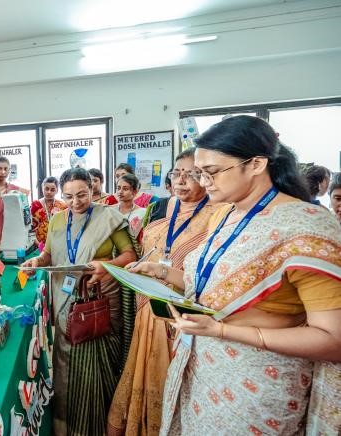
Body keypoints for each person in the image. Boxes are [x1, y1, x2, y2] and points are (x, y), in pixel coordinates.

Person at [130, 116, 341, 435]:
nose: (204, 181)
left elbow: (333, 340)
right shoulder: (223, 215)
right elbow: (214, 287)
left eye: (211, 172)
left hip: (259, 383)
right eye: (200, 172)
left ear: (256, 164)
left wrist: (222, 331)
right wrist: (161, 272)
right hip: (202, 368)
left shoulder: (307, 227)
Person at [107, 147, 222, 436]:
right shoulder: (166, 206)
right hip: (149, 305)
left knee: (172, 378)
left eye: (193, 174)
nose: (182, 181)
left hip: (180, 317)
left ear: (207, 178)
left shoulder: (217, 215)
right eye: (177, 173)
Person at [21, 167, 139, 435]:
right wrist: (35, 262)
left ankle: (101, 425)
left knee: (100, 368)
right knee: (67, 368)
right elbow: (48, 256)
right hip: (66, 301)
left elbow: (130, 256)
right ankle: (69, 426)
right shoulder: (57, 220)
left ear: (93, 189)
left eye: (82, 195)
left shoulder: (108, 217)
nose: (76, 202)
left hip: (101, 302)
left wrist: (105, 266)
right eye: (69, 196)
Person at [30, 176, 67, 247]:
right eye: (46, 189)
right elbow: (31, 229)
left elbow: (66, 227)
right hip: (38, 245)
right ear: (42, 189)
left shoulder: (63, 206)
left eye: (52, 190)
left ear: (57, 191)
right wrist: (39, 245)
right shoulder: (35, 205)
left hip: (58, 244)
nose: (49, 192)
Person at [115, 173, 146, 240]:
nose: (120, 192)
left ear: (135, 191)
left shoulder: (143, 213)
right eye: (118, 188)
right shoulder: (110, 210)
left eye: (125, 189)